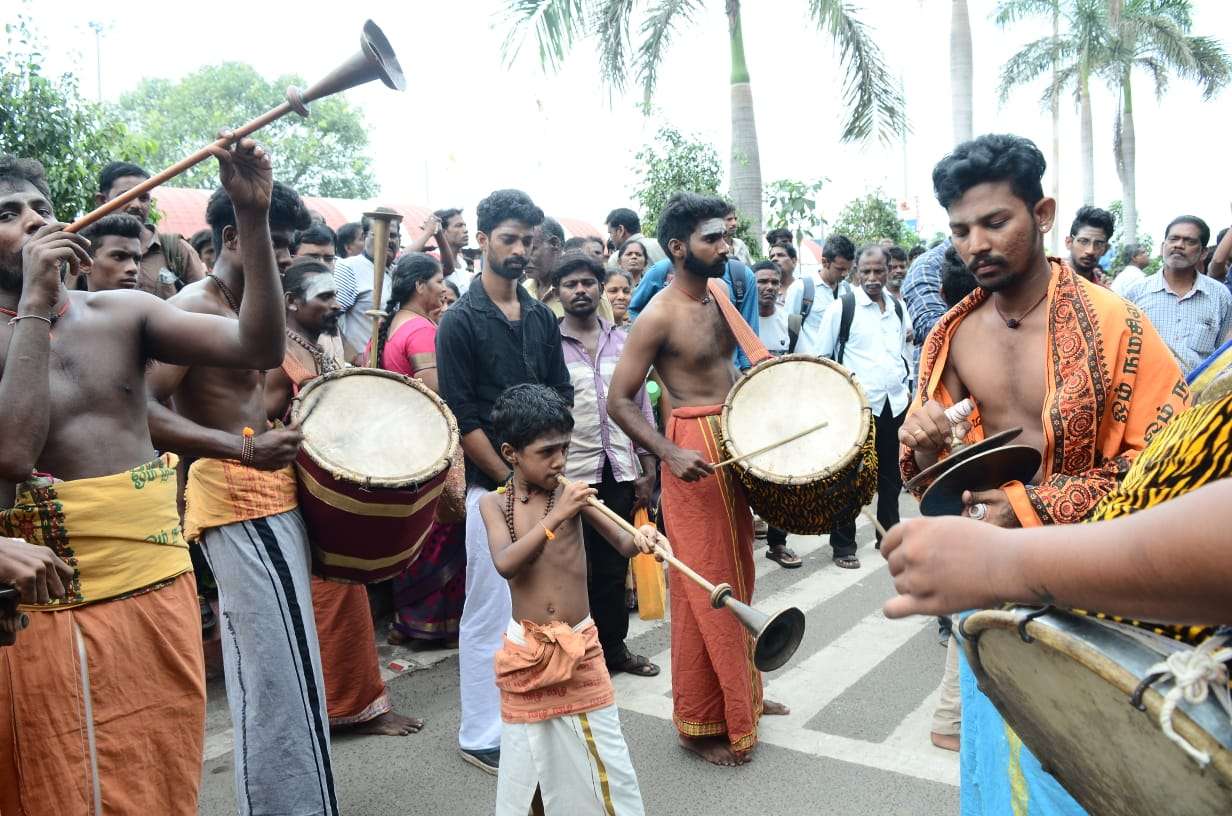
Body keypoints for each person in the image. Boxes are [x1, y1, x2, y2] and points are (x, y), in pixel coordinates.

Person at [0, 144, 288, 815]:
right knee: (66, 784)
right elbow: (13, 454)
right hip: (46, 602)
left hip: (157, 588)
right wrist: (39, 302)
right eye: (9, 214)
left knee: (161, 767)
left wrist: (252, 217)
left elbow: (259, 347)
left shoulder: (122, 316)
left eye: (41, 207)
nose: (35, 221)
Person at [899, 133, 1187, 768]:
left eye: (995, 221)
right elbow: (936, 482)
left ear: (1043, 214)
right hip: (989, 575)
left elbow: (1170, 463)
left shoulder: (1117, 324)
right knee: (987, 757)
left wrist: (1030, 508)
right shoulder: (951, 337)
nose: (976, 243)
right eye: (960, 229)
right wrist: (923, 444)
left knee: (1083, 766)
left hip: (1094, 575)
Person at [885, 337, 1232, 815]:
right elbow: (931, 470)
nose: (977, 254)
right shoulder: (955, 334)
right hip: (1052, 624)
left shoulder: (1119, 327)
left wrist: (1008, 556)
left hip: (1160, 689)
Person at [144, 177, 344, 814]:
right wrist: (244, 449)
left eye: (286, 248)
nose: (285, 259)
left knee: (293, 666)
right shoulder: (194, 309)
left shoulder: (257, 308)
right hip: (232, 496)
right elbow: (139, 409)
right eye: (277, 244)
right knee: (272, 674)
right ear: (234, 235)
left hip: (271, 493)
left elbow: (253, 401)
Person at [608, 191, 789, 767]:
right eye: (713, 238)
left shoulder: (719, 291)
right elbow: (619, 400)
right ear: (678, 247)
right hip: (689, 449)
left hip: (731, 442)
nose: (725, 246)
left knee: (739, 573)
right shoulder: (657, 314)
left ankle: (744, 693)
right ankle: (702, 722)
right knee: (706, 588)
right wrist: (667, 452)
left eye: (726, 236)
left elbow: (733, 368)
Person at [436, 188, 574, 775]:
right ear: (484, 240)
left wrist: (548, 476)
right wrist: (511, 481)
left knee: (545, 609)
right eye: (509, 239)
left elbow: (562, 395)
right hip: (491, 491)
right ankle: (481, 733)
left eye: (528, 241)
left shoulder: (542, 316)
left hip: (545, 483)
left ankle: (532, 712)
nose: (520, 250)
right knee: (490, 612)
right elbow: (461, 416)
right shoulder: (459, 322)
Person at [261, 258, 424, 739]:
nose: (336, 306)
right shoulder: (277, 355)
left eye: (337, 296)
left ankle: (356, 704)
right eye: (324, 298)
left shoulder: (318, 345)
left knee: (348, 596)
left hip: (333, 490)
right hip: (304, 491)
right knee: (330, 599)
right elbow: (266, 420)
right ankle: (340, 708)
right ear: (292, 302)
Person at [479, 384, 659, 815]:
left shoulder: (575, 495)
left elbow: (621, 541)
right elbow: (506, 564)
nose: (559, 461)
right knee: (531, 763)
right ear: (511, 453)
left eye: (564, 448)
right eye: (546, 452)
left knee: (608, 758)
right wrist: (558, 516)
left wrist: (643, 537)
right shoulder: (493, 504)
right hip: (526, 651)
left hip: (581, 647)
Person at [555, 252, 661, 680]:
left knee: (614, 569)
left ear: (599, 288)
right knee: (569, 568)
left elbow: (639, 405)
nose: (580, 290)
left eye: (587, 283)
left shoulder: (624, 340)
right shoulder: (548, 343)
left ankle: (613, 650)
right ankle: (573, 656)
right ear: (556, 292)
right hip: (568, 475)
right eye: (570, 284)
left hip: (618, 467)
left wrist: (647, 461)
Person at [374, 252, 468, 650]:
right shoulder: (422, 331)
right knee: (442, 528)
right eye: (438, 280)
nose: (444, 288)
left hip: (405, 443)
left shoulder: (393, 326)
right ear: (419, 286)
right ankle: (433, 622)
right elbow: (438, 394)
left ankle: (409, 619)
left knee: (420, 532)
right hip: (430, 442)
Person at [815, 245, 912, 568]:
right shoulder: (843, 307)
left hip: (893, 404)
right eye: (866, 272)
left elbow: (903, 351)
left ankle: (889, 536)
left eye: (879, 272)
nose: (872, 278)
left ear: (888, 271)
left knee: (891, 478)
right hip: (857, 408)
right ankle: (843, 546)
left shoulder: (897, 307)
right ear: (857, 271)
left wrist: (906, 386)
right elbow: (822, 359)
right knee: (850, 480)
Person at [1124, 215, 1232, 374]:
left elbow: (1223, 354)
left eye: (1190, 241)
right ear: (1163, 247)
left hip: (1196, 395)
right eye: (1174, 239)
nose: (1179, 245)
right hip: (1146, 394)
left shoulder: (1219, 296)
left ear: (1203, 253)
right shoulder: (1136, 293)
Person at [95, 161, 208, 297]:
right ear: (102, 201)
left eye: (144, 198)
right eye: (125, 197)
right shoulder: (85, 251)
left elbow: (204, 303)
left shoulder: (177, 250)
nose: (136, 205)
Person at [333, 207, 402, 361]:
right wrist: (353, 357)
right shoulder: (349, 268)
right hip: (360, 371)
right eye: (380, 234)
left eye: (393, 235)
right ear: (364, 237)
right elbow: (329, 319)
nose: (388, 240)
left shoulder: (398, 272)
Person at [783, 234, 855, 355]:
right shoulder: (801, 288)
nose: (845, 274)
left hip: (839, 367)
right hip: (810, 365)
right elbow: (787, 328)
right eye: (840, 269)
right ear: (825, 262)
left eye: (848, 269)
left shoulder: (848, 290)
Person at [77, 213, 143, 292]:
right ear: (84, 264)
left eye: (136, 260)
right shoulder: (64, 302)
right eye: (119, 257)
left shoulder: (154, 304)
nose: (133, 268)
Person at [1064, 205, 1114, 285]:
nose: (1090, 251)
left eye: (1098, 244)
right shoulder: (1048, 279)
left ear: (1106, 249)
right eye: (1084, 241)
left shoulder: (1104, 292)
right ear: (1069, 242)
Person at [605, 207, 664, 271]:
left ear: (620, 230)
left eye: (610, 233)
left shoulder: (616, 258)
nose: (611, 239)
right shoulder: (661, 244)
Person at [754, 260, 789, 356]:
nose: (770, 287)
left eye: (774, 282)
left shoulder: (790, 323)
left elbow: (802, 362)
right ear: (750, 284)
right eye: (763, 282)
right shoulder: (740, 322)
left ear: (780, 286)